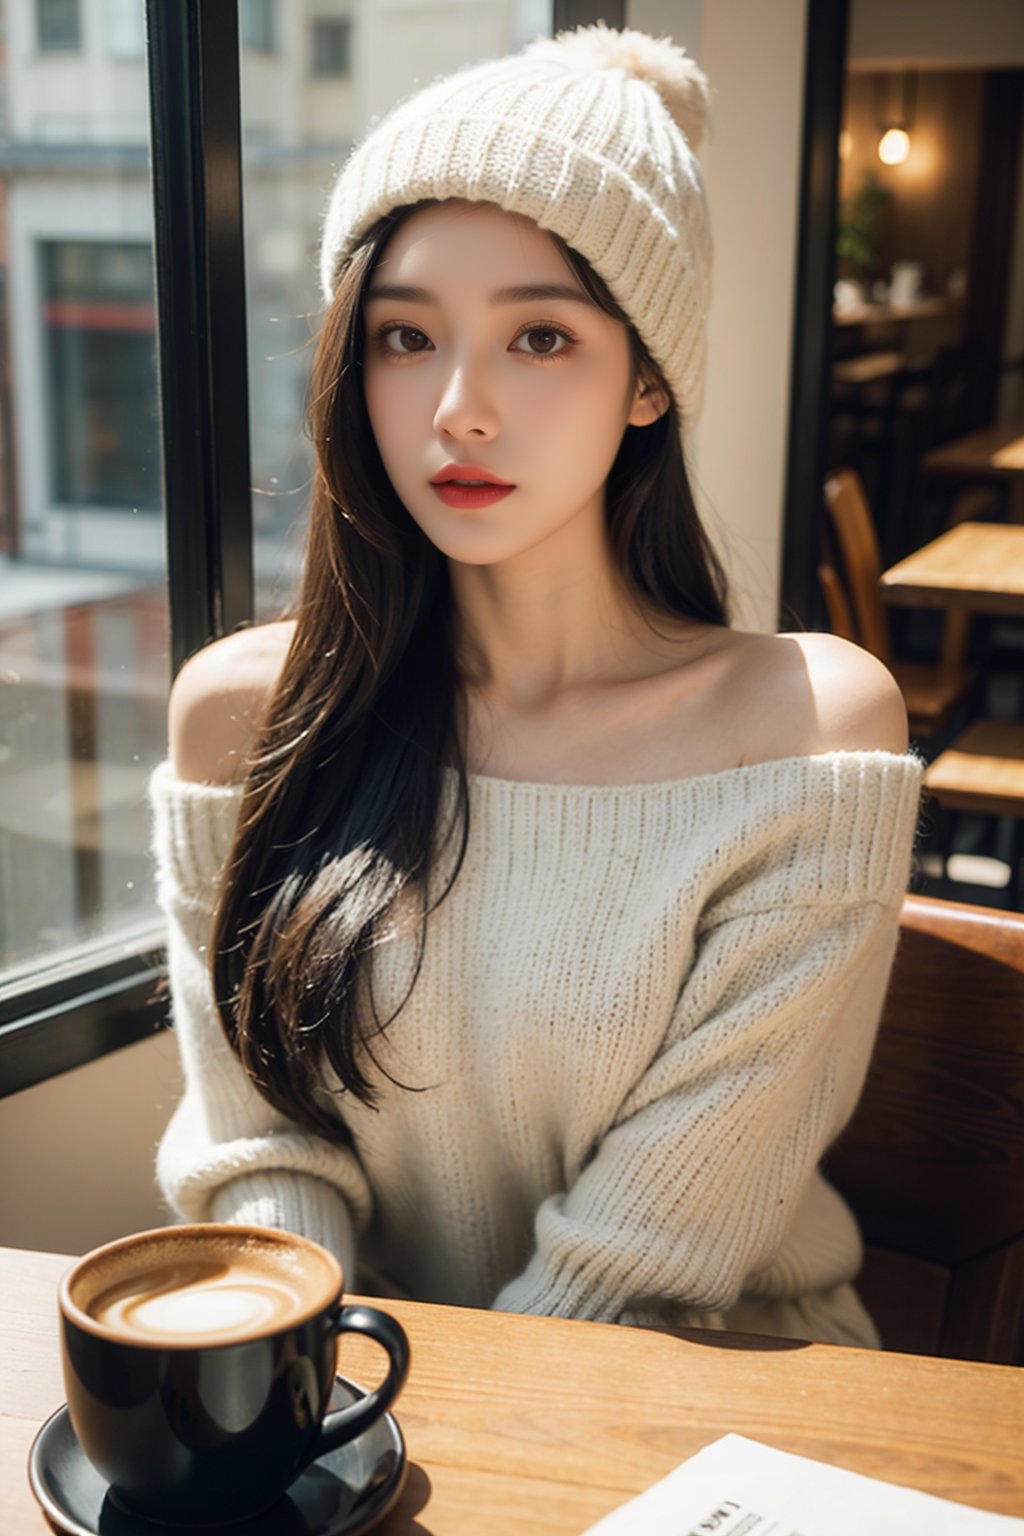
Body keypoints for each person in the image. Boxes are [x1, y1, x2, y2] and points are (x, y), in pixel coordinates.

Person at [151, 24, 922, 1348]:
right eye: (404, 336)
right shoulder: (247, 719)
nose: (459, 406)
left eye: (542, 339)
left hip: (721, 1419)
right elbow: (260, 1154)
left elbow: (648, 1256)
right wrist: (302, 1399)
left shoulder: (807, 730)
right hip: (374, 1412)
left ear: (647, 382)